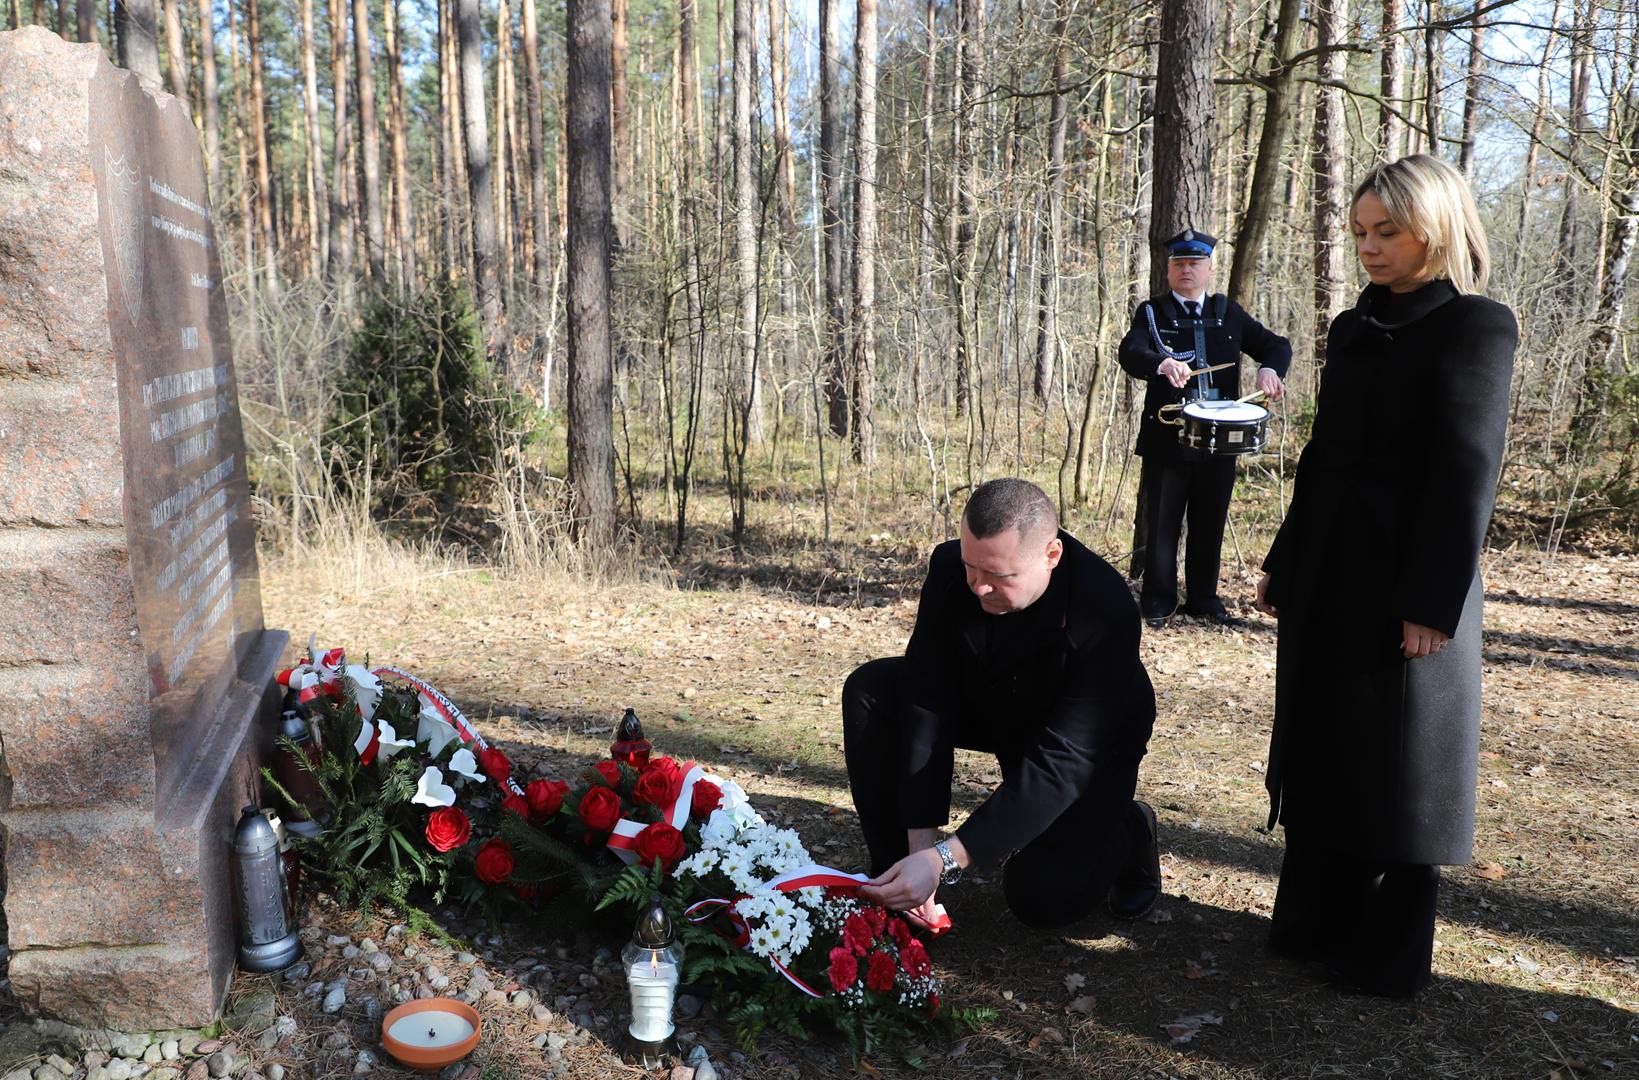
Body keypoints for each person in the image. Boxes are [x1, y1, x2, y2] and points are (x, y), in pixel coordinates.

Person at [1255, 155, 1518, 998]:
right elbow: (1324, 455)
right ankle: (1314, 922)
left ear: (1432, 229)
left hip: (1410, 580)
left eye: (1386, 232)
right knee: (1323, 740)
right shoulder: (1352, 326)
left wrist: (1431, 603)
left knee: (1399, 763)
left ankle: (1388, 954)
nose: (1367, 246)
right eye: (1360, 231)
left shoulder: (1475, 327)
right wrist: (1285, 558)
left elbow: (1465, 472)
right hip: (1330, 567)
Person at [843, 478, 1161, 930]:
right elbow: (926, 699)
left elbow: (1063, 760)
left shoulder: (1104, 607)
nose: (978, 588)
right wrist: (920, 851)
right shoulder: (950, 569)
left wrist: (946, 858)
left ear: (1051, 555)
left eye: (998, 576)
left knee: (1044, 897)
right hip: (994, 699)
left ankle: (1130, 829)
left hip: (1084, 743)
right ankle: (899, 882)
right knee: (872, 690)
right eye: (971, 567)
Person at [1118, 228, 1292, 628]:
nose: (1186, 270)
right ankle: (1158, 602)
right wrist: (1161, 363)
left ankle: (1204, 601)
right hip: (1168, 440)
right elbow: (1131, 351)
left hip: (1219, 442)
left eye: (1195, 263)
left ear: (1209, 268)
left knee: (1209, 523)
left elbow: (1277, 345)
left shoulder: (1228, 313)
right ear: (1168, 270)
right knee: (1163, 525)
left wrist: (1270, 369)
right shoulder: (1152, 312)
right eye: (1179, 263)